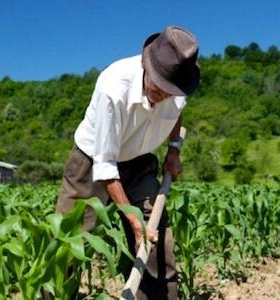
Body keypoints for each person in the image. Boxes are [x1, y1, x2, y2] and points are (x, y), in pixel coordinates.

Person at [55, 26, 200, 299]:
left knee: (154, 235)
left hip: (140, 158)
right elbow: (105, 166)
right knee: (68, 242)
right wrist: (130, 218)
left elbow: (176, 114)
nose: (165, 95)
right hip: (92, 161)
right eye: (160, 87)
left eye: (171, 91)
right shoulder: (114, 87)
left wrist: (173, 151)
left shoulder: (178, 88)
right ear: (147, 64)